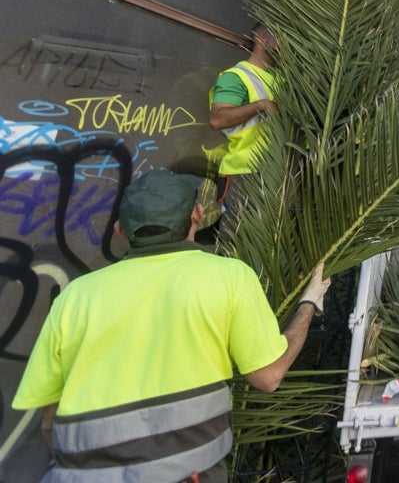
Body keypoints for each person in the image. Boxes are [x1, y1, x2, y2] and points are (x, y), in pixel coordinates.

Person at [12, 169, 329, 482]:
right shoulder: (229, 277)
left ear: (120, 229)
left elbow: (49, 419)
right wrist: (307, 305)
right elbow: (268, 375)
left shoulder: (74, 297)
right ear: (197, 214)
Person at [209, 24, 278, 223]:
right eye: (283, 39)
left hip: (277, 173)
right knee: (239, 243)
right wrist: (262, 105)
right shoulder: (237, 77)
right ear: (263, 38)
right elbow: (217, 119)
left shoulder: (281, 80)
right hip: (245, 173)